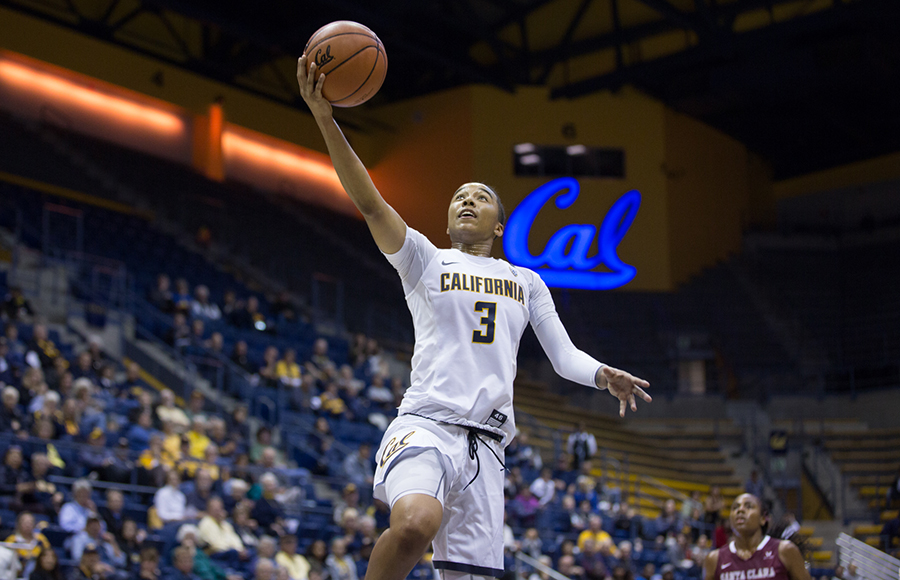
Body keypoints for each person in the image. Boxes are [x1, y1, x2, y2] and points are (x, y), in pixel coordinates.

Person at [298, 55, 652, 580]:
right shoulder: (425, 260)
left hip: (486, 449)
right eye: (459, 197)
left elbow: (563, 357)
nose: (467, 200)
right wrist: (326, 117)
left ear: (500, 224)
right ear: (446, 218)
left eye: (480, 197)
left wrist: (603, 374)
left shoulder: (526, 281)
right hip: (426, 426)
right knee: (415, 523)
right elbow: (371, 204)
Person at [703, 493, 811, 580]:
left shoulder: (785, 550)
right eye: (735, 507)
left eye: (748, 506)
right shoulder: (715, 559)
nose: (740, 510)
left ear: (763, 519)